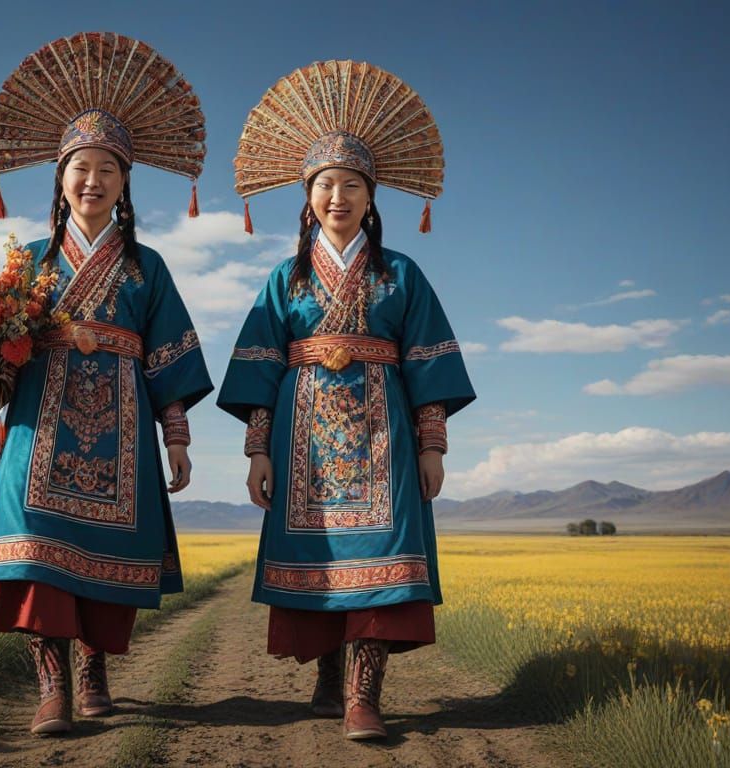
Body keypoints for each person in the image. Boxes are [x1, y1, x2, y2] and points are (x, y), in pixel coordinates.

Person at [217, 61, 475, 740]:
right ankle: (328, 677)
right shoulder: (285, 279)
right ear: (308, 196)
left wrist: (433, 446)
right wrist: (256, 453)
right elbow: (258, 367)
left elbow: (427, 365)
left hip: (383, 437)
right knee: (320, 561)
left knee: (379, 554)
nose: (339, 196)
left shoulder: (402, 274)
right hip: (300, 444)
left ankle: (364, 695)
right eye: (326, 184)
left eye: (351, 185)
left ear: (371, 197)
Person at [0, 31, 211, 736]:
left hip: (120, 432)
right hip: (38, 426)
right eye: (80, 167)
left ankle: (94, 667)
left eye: (107, 168)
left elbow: (168, 358)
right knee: (34, 548)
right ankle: (52, 687)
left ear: (126, 182)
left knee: (109, 560)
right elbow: (1, 354)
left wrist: (179, 439)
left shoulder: (148, 268)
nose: (92, 180)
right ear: (60, 177)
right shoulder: (30, 261)